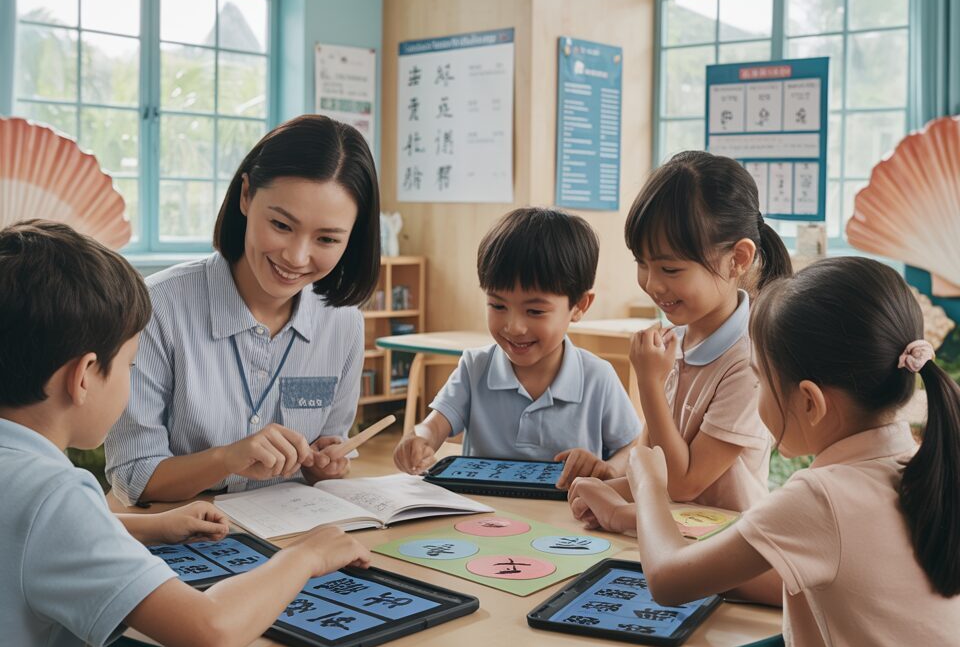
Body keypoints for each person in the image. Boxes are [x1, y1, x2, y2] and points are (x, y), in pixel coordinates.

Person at [0, 220, 370, 647]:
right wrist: (307, 556)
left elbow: (27, 536)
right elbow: (209, 632)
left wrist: (150, 525)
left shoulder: (27, 484)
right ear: (85, 376)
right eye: (130, 365)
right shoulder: (53, 494)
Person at [575, 257, 960, 647]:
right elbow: (777, 579)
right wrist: (627, 518)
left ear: (810, 402)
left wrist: (647, 484)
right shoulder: (919, 467)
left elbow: (667, 581)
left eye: (759, 381)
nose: (755, 394)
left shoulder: (822, 495)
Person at [106, 115, 381, 504]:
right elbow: (132, 476)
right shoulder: (158, 309)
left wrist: (324, 465)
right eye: (282, 225)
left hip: (290, 537)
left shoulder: (343, 324)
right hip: (183, 540)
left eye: (327, 238)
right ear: (247, 195)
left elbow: (329, 449)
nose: (297, 256)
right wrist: (227, 459)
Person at [568, 150, 793, 534]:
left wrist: (649, 384)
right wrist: (611, 480)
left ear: (737, 258)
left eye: (670, 269)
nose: (653, 284)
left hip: (725, 549)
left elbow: (684, 483)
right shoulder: (676, 339)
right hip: (667, 536)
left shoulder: (750, 361)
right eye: (642, 263)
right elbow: (651, 461)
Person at [393, 207, 641, 488]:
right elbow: (436, 425)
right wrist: (420, 439)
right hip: (482, 518)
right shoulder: (475, 368)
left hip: (566, 520)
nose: (514, 327)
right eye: (498, 306)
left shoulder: (598, 377)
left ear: (579, 306)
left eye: (534, 311)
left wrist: (608, 468)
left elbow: (632, 446)